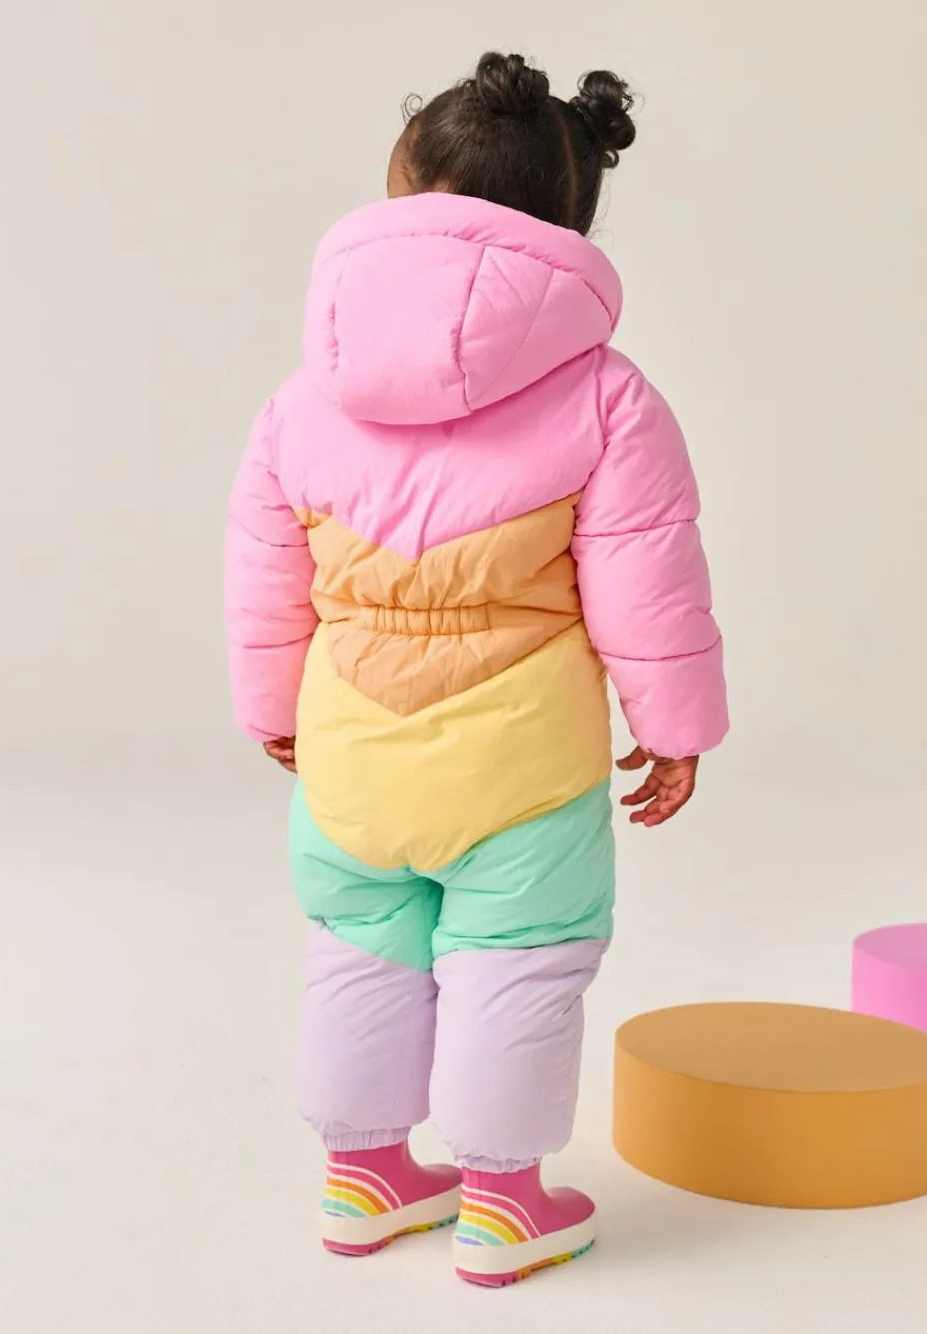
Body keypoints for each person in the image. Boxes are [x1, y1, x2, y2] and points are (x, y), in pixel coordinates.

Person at [225, 51, 728, 1287]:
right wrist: (675, 725)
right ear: (568, 221)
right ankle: (505, 1202)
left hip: (350, 750)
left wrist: (272, 707)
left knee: (359, 943)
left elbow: (264, 569)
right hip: (521, 763)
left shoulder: (302, 398)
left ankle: (363, 1178)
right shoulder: (608, 397)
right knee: (519, 958)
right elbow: (646, 576)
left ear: (402, 188)